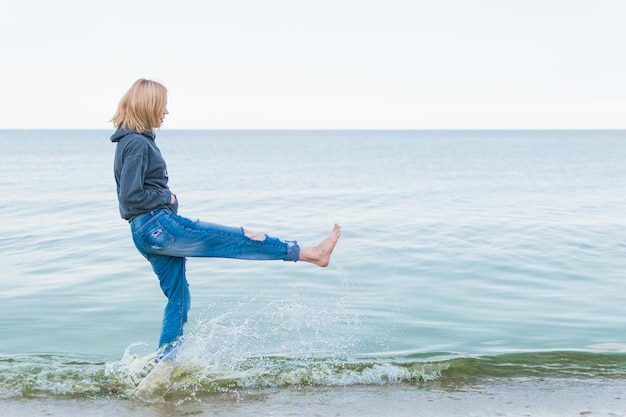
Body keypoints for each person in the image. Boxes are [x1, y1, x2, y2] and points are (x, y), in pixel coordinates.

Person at [110, 78, 341, 360]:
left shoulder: (131, 141)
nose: (166, 112)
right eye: (163, 105)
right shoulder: (136, 143)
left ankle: (164, 367)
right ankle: (312, 254)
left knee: (179, 299)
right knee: (239, 238)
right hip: (158, 227)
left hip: (146, 233)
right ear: (148, 105)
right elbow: (130, 198)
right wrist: (167, 199)